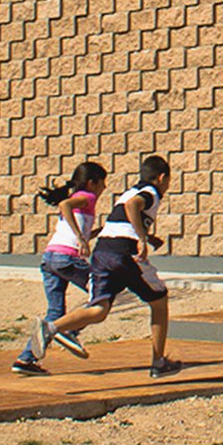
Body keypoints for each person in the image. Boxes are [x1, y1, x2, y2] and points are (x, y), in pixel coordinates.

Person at [43, 154, 182, 377]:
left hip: (102, 252)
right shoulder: (150, 192)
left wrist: (148, 235)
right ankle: (158, 362)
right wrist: (142, 239)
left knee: (100, 308)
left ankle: (51, 328)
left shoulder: (130, 190)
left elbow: (121, 217)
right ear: (162, 177)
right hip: (123, 254)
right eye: (168, 181)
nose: (167, 186)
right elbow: (132, 207)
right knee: (159, 300)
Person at [12, 160, 107, 375]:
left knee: (55, 312)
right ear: (92, 183)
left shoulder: (80, 200)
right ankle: (71, 331)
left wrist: (96, 232)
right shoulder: (87, 197)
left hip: (51, 258)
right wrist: (82, 240)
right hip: (67, 257)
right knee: (102, 294)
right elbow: (64, 206)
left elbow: (74, 226)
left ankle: (25, 360)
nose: (105, 188)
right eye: (103, 182)